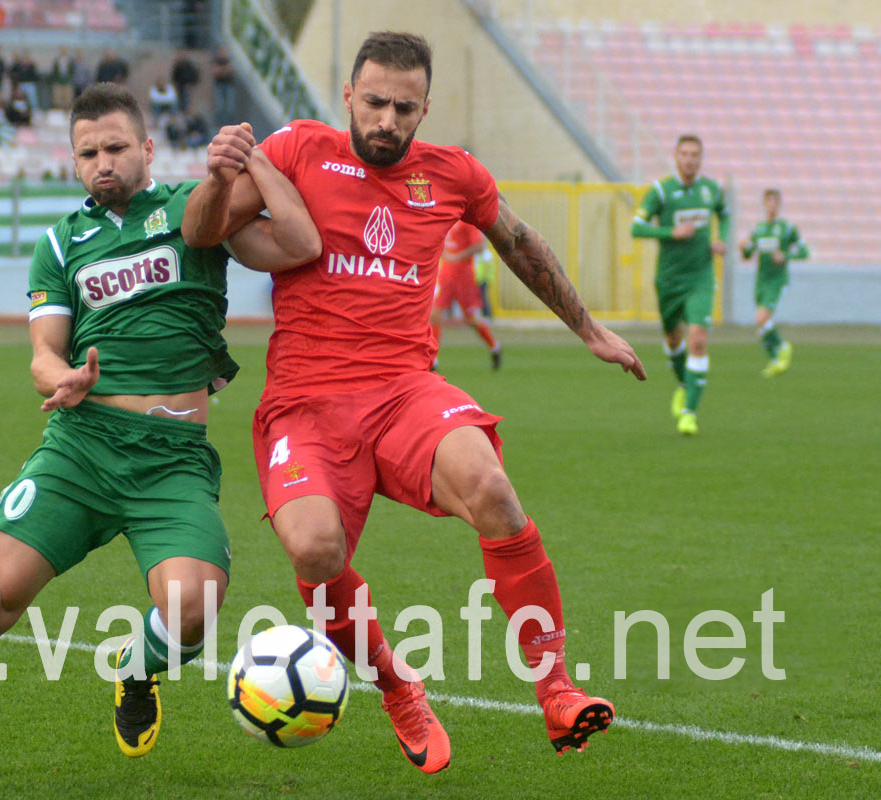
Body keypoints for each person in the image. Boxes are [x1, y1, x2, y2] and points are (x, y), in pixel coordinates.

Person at [0, 81, 321, 791]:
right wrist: (62, 378)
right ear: (74, 161)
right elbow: (42, 354)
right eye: (88, 152)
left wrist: (245, 161)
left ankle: (135, 669)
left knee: (193, 609)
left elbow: (301, 243)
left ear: (147, 148)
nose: (103, 162)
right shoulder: (60, 244)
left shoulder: (193, 211)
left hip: (171, 461)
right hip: (81, 446)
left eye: (117, 147)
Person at [183, 31, 643, 774]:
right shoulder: (298, 148)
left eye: (403, 107)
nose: (387, 120)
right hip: (304, 402)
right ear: (349, 98)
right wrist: (222, 170)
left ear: (425, 108)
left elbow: (519, 243)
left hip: (405, 391)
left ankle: (556, 689)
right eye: (374, 103)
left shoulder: (454, 174)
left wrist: (587, 329)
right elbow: (205, 231)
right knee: (314, 548)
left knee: (494, 489)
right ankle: (398, 687)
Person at [631, 134, 729, 436]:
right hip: (669, 281)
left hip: (701, 276)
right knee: (674, 339)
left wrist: (720, 239)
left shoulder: (711, 190)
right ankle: (686, 385)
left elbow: (723, 214)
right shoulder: (661, 191)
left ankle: (689, 412)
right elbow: (637, 227)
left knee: (698, 338)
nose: (689, 159)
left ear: (701, 158)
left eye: (695, 154)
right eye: (684, 153)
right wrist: (670, 232)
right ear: (675, 157)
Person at [739, 188, 808, 377]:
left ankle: (783, 347)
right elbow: (747, 255)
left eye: (775, 202)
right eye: (769, 202)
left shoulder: (786, 228)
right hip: (761, 280)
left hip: (777, 280)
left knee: (761, 318)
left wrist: (785, 256)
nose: (772, 205)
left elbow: (804, 252)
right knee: (761, 324)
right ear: (764, 204)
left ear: (779, 205)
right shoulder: (759, 230)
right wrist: (743, 247)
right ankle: (775, 360)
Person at [430, 219, 502, 369]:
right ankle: (433, 358)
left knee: (471, 319)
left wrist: (457, 256)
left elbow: (479, 245)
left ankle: (494, 346)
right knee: (435, 315)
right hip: (445, 274)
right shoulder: (446, 217)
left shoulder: (466, 222)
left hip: (464, 276)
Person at [211, 45, 235, 126]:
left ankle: (229, 121)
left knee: (229, 104)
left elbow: (230, 71)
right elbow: (216, 72)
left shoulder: (228, 60)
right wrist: (224, 70)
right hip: (219, 84)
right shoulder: (217, 61)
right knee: (219, 104)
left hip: (228, 84)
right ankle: (220, 122)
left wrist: (222, 70)